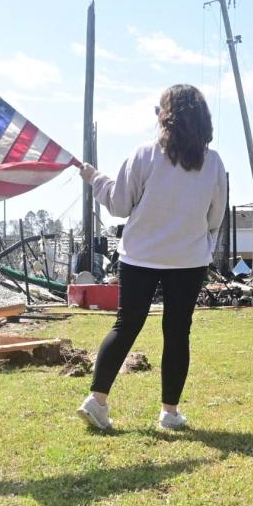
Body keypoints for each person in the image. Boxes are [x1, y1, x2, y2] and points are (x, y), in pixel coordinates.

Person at [75, 84, 227, 431]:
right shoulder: (213, 163)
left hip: (140, 255)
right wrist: (199, 238)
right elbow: (216, 216)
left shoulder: (144, 154)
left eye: (158, 110)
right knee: (177, 332)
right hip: (188, 258)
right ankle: (169, 414)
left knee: (126, 324)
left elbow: (119, 204)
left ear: (166, 117)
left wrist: (95, 178)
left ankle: (97, 401)